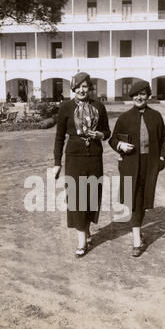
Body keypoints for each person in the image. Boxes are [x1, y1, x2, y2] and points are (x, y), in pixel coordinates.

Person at [109, 80, 165, 257]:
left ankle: (137, 231)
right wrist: (120, 145)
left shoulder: (156, 116)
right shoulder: (124, 118)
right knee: (134, 198)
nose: (139, 97)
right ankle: (136, 239)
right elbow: (112, 140)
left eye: (142, 94)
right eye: (135, 94)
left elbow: (164, 139)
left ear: (147, 95)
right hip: (130, 163)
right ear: (132, 97)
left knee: (143, 199)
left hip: (149, 164)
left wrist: (161, 156)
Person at [54, 72, 111, 257]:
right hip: (74, 158)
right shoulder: (66, 107)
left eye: (85, 86)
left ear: (90, 88)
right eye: (77, 86)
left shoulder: (99, 106)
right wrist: (57, 163)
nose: (81, 89)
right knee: (78, 198)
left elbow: (107, 132)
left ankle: (86, 231)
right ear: (73, 88)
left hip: (94, 157)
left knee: (91, 196)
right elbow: (59, 137)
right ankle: (81, 241)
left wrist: (101, 135)